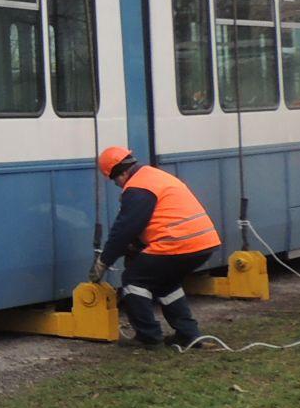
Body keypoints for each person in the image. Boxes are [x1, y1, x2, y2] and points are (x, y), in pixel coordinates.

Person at [90, 146, 221, 347]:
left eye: (115, 181)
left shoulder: (137, 188)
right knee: (166, 283)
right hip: (203, 242)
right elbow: (155, 220)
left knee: (133, 280)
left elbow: (125, 229)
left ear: (121, 173)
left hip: (177, 243)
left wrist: (103, 261)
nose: (117, 185)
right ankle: (189, 335)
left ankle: (148, 337)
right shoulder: (155, 176)